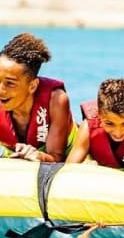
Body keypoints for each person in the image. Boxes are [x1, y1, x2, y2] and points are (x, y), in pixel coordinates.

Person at [0, 33, 77, 162]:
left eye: (10, 83)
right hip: (14, 156)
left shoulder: (56, 100)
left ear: (32, 86)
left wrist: (38, 156)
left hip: (66, 157)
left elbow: (56, 157)